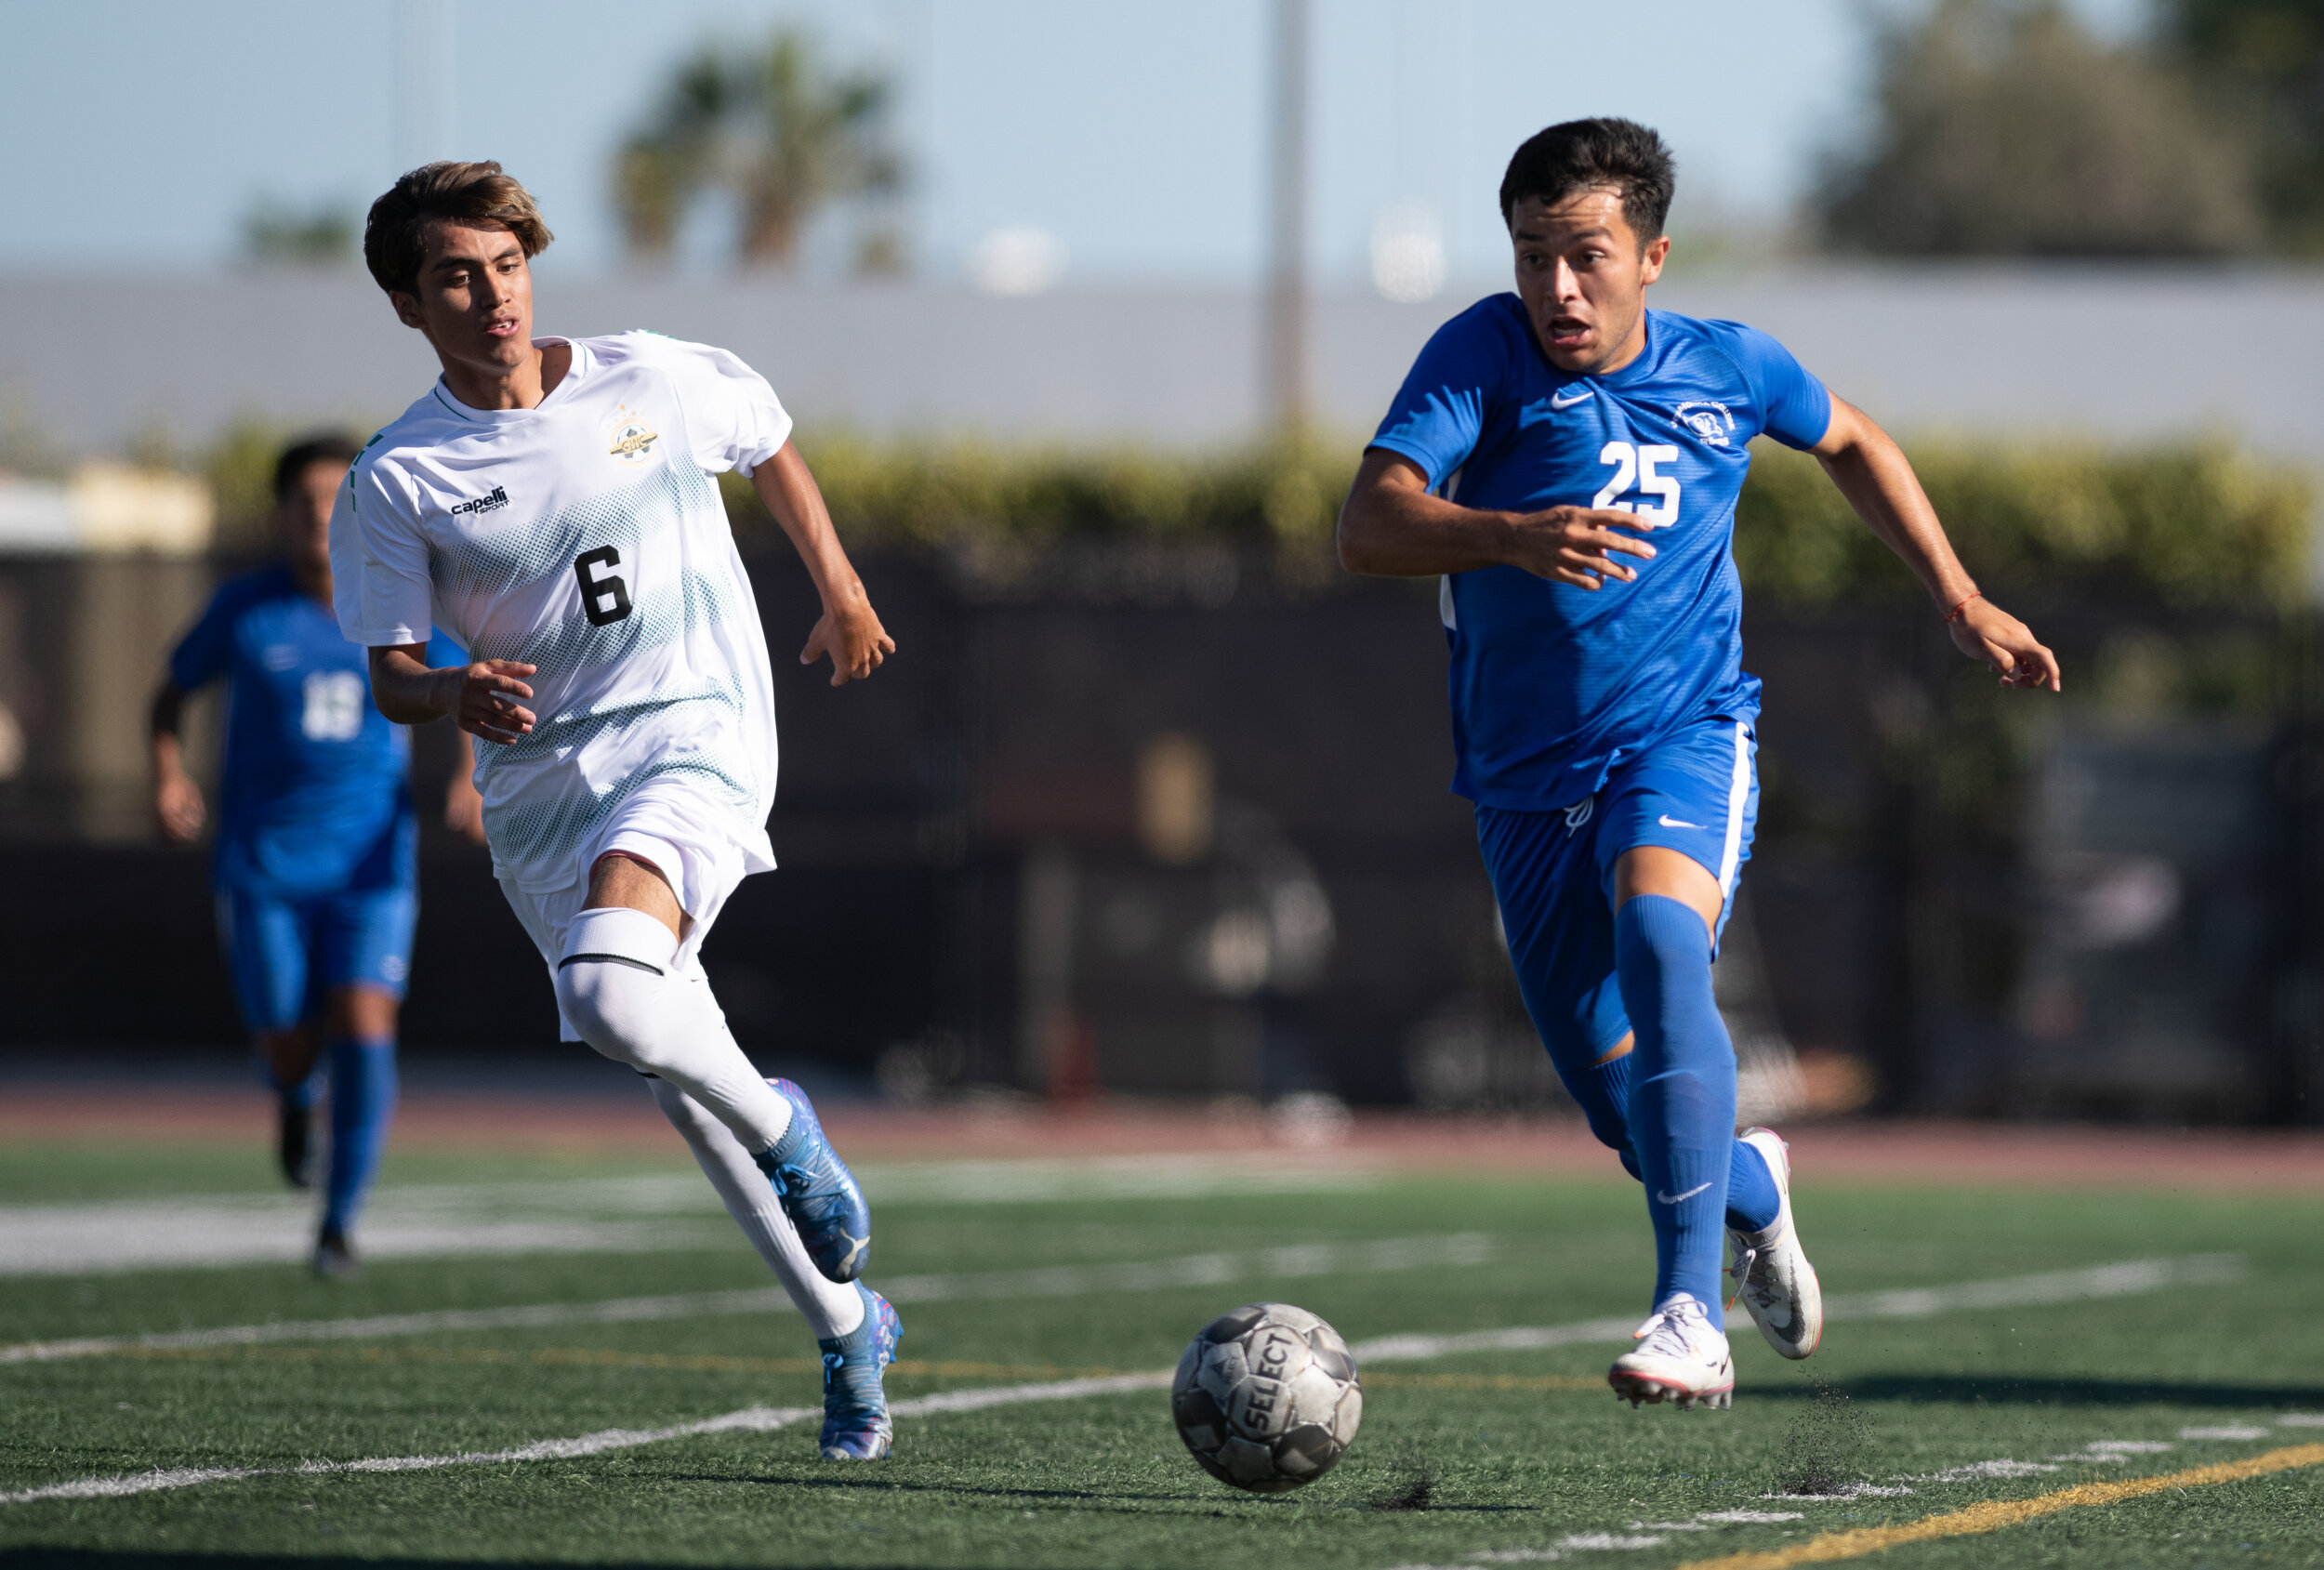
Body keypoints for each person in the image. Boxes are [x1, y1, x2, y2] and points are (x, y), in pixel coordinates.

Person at [1337, 119, 2058, 1410]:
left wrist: (1957, 596)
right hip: (1519, 785)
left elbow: (1854, 440)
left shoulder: (1731, 368)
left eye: (1587, 256)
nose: (1557, 287)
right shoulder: (1478, 357)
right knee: (1631, 1118)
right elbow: (1369, 522)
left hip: (1684, 737)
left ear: (1653, 255)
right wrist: (1506, 533)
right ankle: (1755, 1188)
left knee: (1667, 946)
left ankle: (1689, 1314)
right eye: (1533, 256)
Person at [329, 161, 902, 1460]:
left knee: (609, 1004)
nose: (493, 296)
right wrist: (451, 690)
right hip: (542, 794)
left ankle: (788, 1125)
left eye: (508, 264)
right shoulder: (397, 477)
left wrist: (841, 585)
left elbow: (767, 441)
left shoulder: (648, 374)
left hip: (693, 733)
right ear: (409, 305)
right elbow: (391, 678)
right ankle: (845, 1325)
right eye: (457, 277)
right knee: (667, 1066)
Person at [152, 434, 482, 1279]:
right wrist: (167, 776)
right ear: (281, 513)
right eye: (304, 501)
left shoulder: (398, 605)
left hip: (371, 866)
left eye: (338, 499)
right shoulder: (246, 608)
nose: (320, 516)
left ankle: (338, 1222)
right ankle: (297, 1097)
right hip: (263, 867)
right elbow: (172, 690)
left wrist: (470, 781)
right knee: (288, 1044)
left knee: (367, 1024)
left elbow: (466, 686)